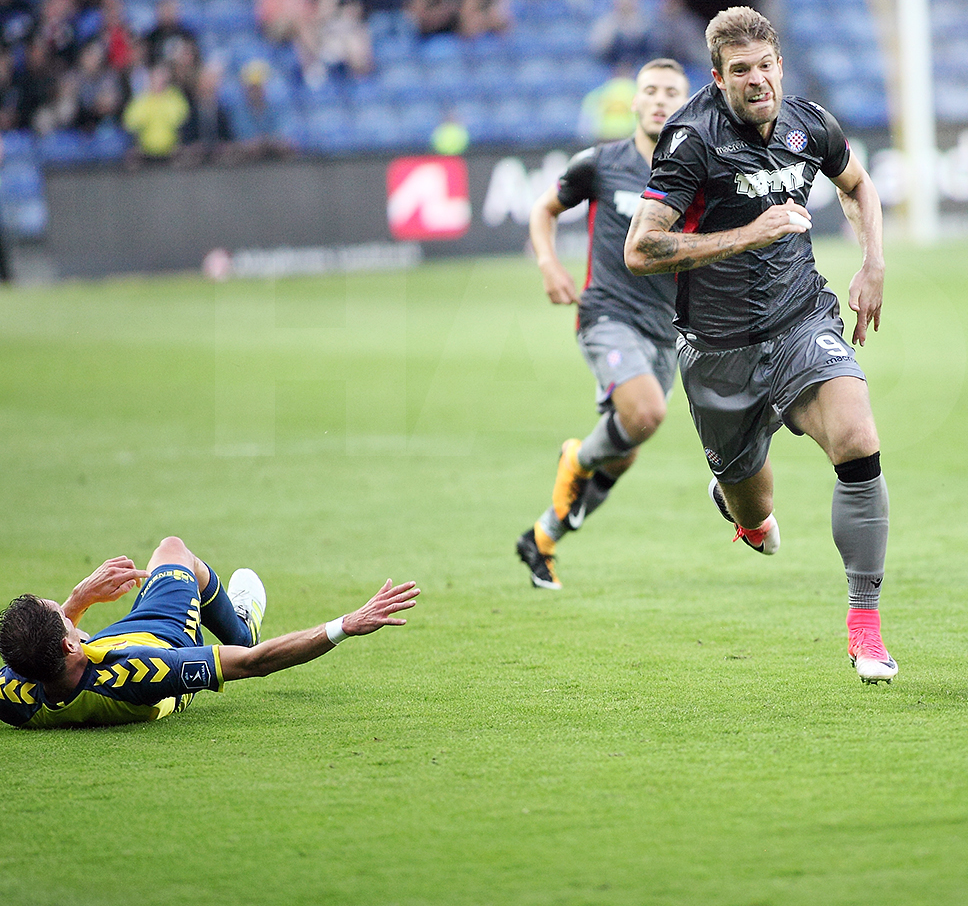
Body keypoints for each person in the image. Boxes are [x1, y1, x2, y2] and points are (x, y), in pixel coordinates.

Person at [622, 7, 896, 684]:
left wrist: (874, 263)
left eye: (765, 65)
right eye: (739, 71)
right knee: (757, 510)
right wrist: (749, 232)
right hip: (718, 350)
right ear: (717, 79)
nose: (756, 80)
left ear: (780, 64)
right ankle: (734, 499)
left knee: (859, 441)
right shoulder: (690, 142)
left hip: (801, 319)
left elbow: (858, 185)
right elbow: (642, 248)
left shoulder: (810, 124)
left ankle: (865, 627)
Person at [517, 58, 691, 591]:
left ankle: (542, 537)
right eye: (651, 91)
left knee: (626, 449)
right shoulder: (600, 163)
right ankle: (575, 457)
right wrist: (549, 264)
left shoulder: (696, 170)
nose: (660, 100)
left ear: (685, 105)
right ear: (634, 103)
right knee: (645, 413)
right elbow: (543, 210)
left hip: (667, 328)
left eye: (671, 93)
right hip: (607, 314)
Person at [0, 537, 417, 729]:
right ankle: (241, 624)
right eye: (62, 614)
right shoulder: (146, 671)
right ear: (68, 643)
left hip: (113, 637)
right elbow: (257, 664)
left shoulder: (15, 691)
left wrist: (76, 605)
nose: (66, 607)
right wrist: (344, 625)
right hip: (165, 635)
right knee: (173, 550)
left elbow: (47, 653)